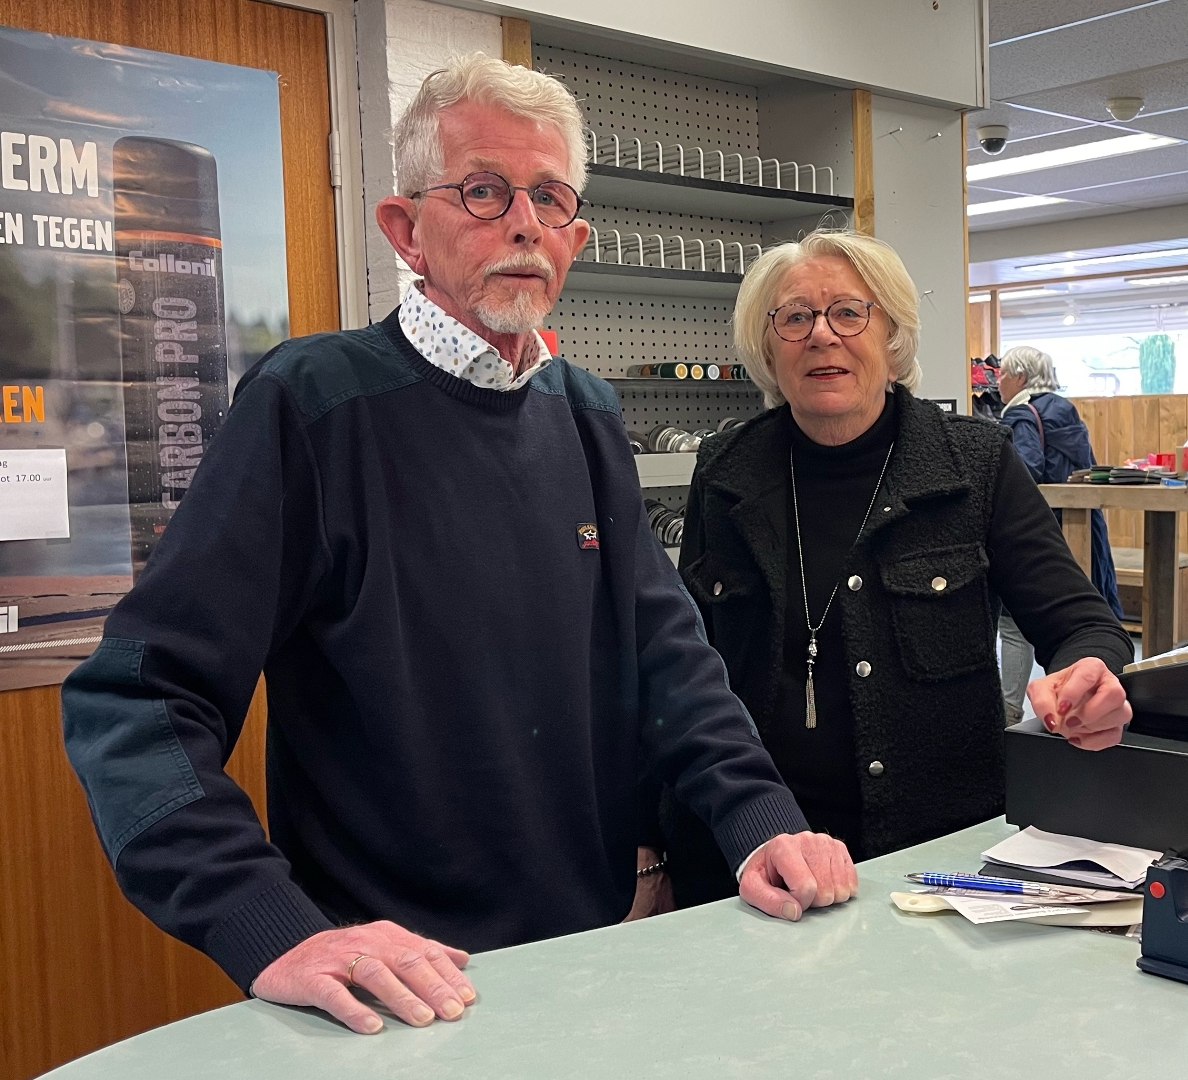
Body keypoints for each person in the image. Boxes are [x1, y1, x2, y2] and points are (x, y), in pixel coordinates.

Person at [59, 55, 853, 1037]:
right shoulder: (312, 405)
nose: (523, 221)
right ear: (406, 231)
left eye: (549, 198)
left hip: (594, 956)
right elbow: (137, 698)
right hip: (394, 994)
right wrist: (267, 927)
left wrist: (758, 819)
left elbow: (669, 658)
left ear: (573, 238)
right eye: (483, 191)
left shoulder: (583, 410)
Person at [657, 231, 1134, 906]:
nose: (822, 335)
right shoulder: (726, 471)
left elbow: (1083, 624)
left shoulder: (976, 464)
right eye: (795, 317)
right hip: (753, 861)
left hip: (931, 860)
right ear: (767, 345)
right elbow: (681, 670)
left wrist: (1092, 676)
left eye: (850, 313)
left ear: (892, 335)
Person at [995, 345, 1126, 721]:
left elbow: (1028, 466)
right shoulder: (1063, 409)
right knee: (1081, 613)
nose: (998, 382)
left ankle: (1009, 709)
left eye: (1003, 375)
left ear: (1019, 378)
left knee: (1014, 620)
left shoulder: (1023, 411)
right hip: (1083, 526)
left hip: (1041, 528)